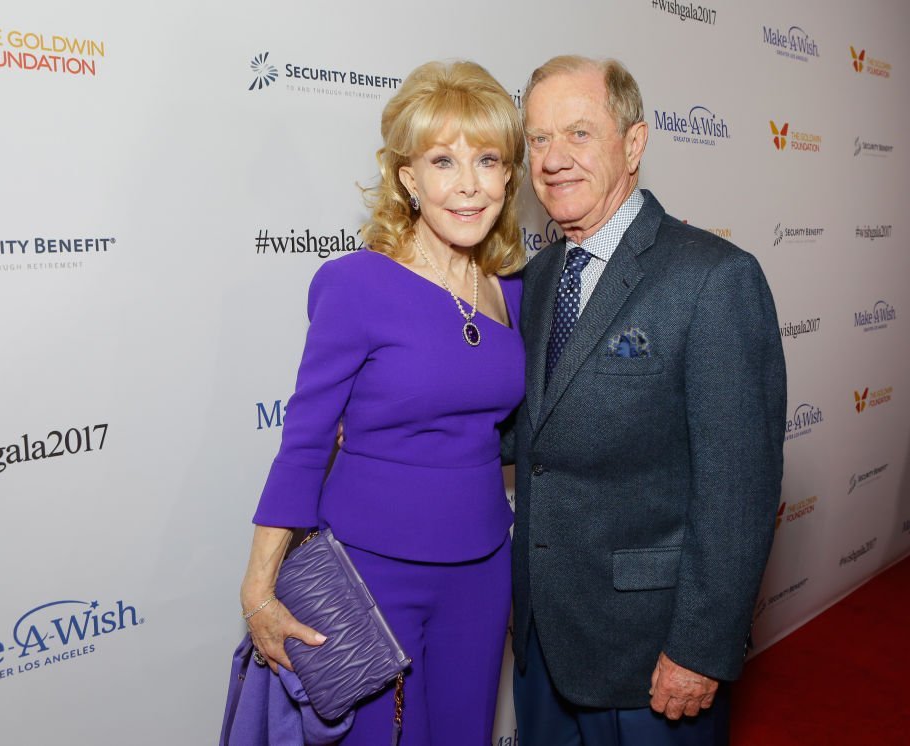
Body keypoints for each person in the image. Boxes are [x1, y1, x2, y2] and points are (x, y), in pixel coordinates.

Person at [240, 60, 527, 745]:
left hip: (483, 568)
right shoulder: (356, 285)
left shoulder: (513, 290)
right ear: (408, 178)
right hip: (369, 572)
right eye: (442, 160)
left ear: (510, 175)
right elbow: (306, 443)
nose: (467, 183)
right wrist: (259, 589)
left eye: (487, 159)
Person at [505, 55, 786, 746]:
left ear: (634, 143)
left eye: (577, 133)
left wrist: (700, 646)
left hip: (651, 653)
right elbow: (527, 435)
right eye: (537, 139)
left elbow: (739, 491)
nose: (553, 159)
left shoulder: (714, 278)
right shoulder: (537, 277)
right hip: (544, 639)